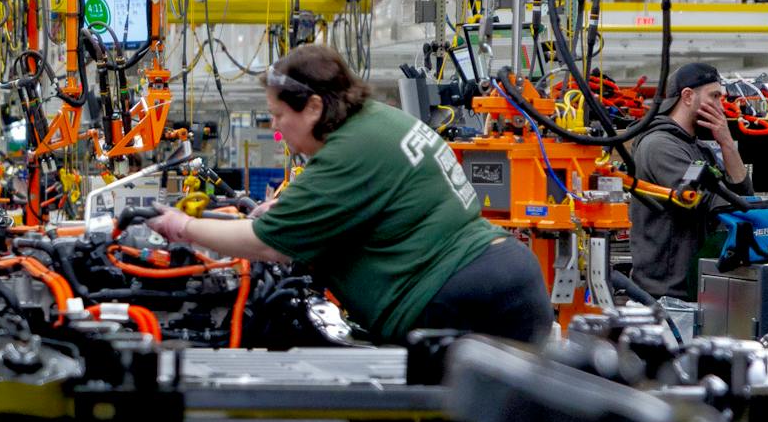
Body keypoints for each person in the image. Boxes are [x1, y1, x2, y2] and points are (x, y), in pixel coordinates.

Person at [146, 44, 553, 344]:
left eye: (279, 114)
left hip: (461, 301)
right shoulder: (378, 122)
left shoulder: (348, 152)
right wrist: (291, 210)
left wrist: (182, 227)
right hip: (499, 280)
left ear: (313, 108)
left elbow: (268, 245)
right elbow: (370, 202)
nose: (276, 126)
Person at [625, 60, 753, 310]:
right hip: (663, 295)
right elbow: (716, 205)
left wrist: (727, 143)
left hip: (693, 289)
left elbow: (743, 197)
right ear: (687, 96)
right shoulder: (659, 146)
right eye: (714, 96)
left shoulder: (700, 149)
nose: (720, 105)